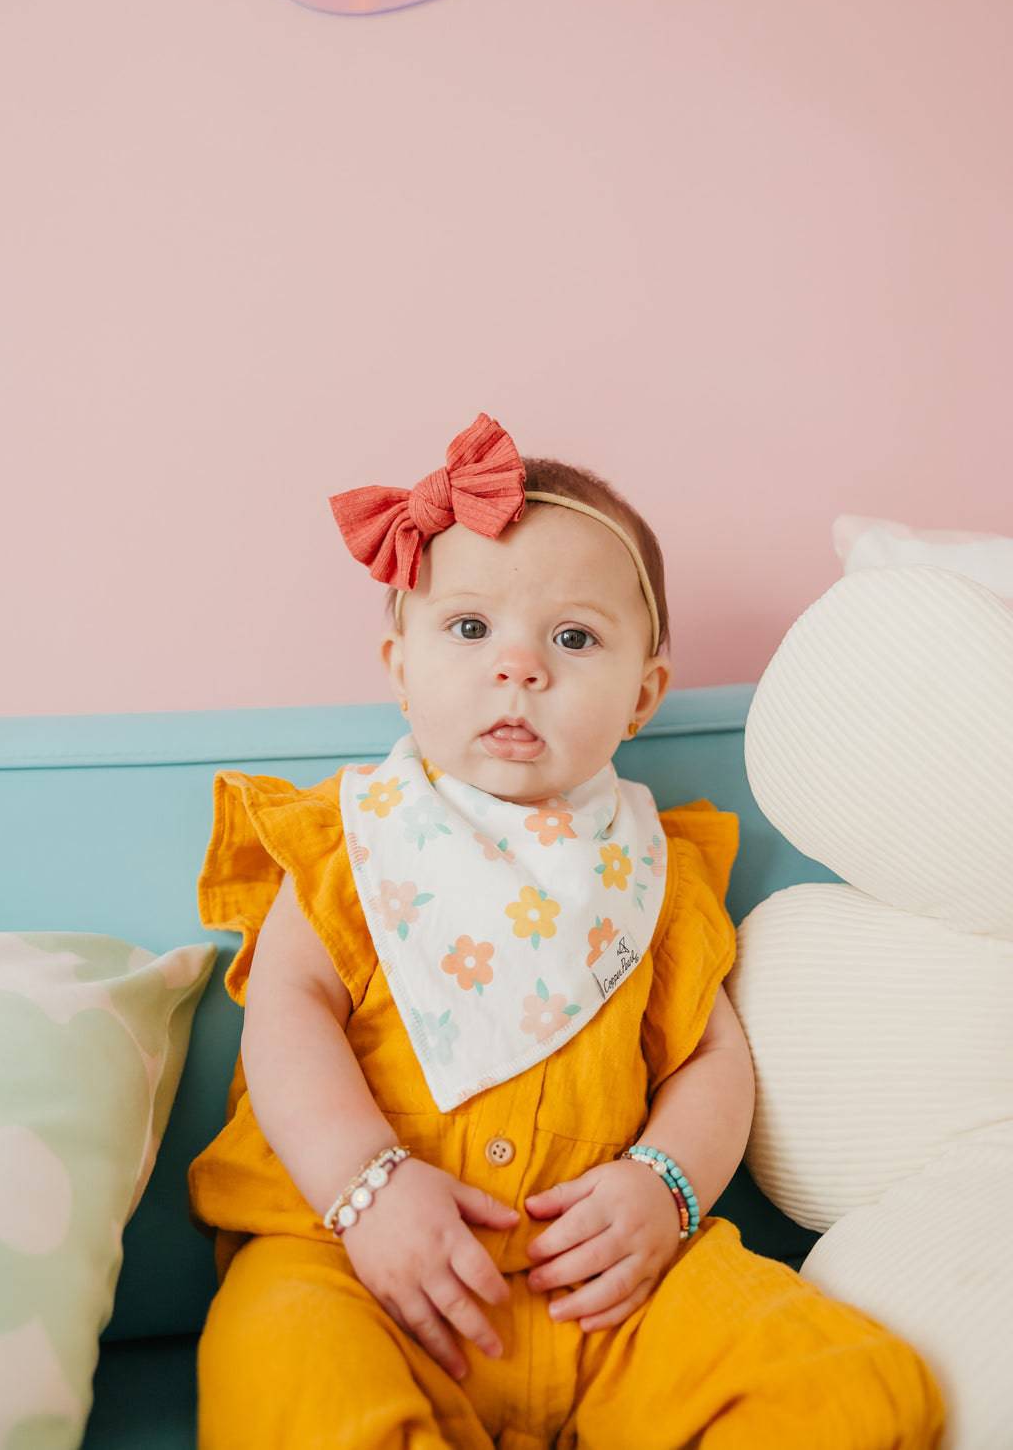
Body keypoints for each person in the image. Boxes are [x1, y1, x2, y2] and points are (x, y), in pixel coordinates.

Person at [187, 412, 946, 1449]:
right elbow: (287, 1014)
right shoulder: (347, 843)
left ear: (644, 695)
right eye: (468, 629)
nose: (520, 669)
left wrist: (665, 1184)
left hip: (608, 1294)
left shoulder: (655, 872)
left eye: (573, 637)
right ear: (398, 663)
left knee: (854, 1390)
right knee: (289, 1380)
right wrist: (367, 1188)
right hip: (360, 1267)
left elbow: (712, 1059)